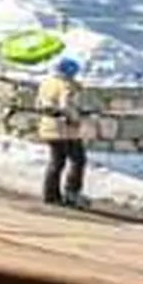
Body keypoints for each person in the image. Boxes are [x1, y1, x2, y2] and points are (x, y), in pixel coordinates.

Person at [36, 55, 90, 207]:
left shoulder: (46, 83)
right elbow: (66, 106)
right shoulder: (66, 85)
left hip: (48, 127)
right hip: (65, 130)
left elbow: (40, 103)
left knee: (56, 161)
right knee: (78, 160)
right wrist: (76, 119)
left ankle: (50, 194)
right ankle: (72, 192)